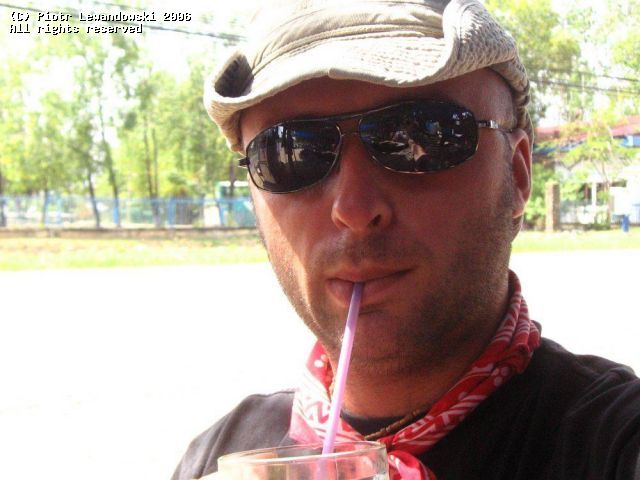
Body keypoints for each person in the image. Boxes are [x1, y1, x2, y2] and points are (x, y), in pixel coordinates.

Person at [173, 1, 640, 478]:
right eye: (290, 152)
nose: (354, 209)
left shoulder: (613, 445)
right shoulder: (219, 457)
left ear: (517, 174)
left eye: (420, 136)